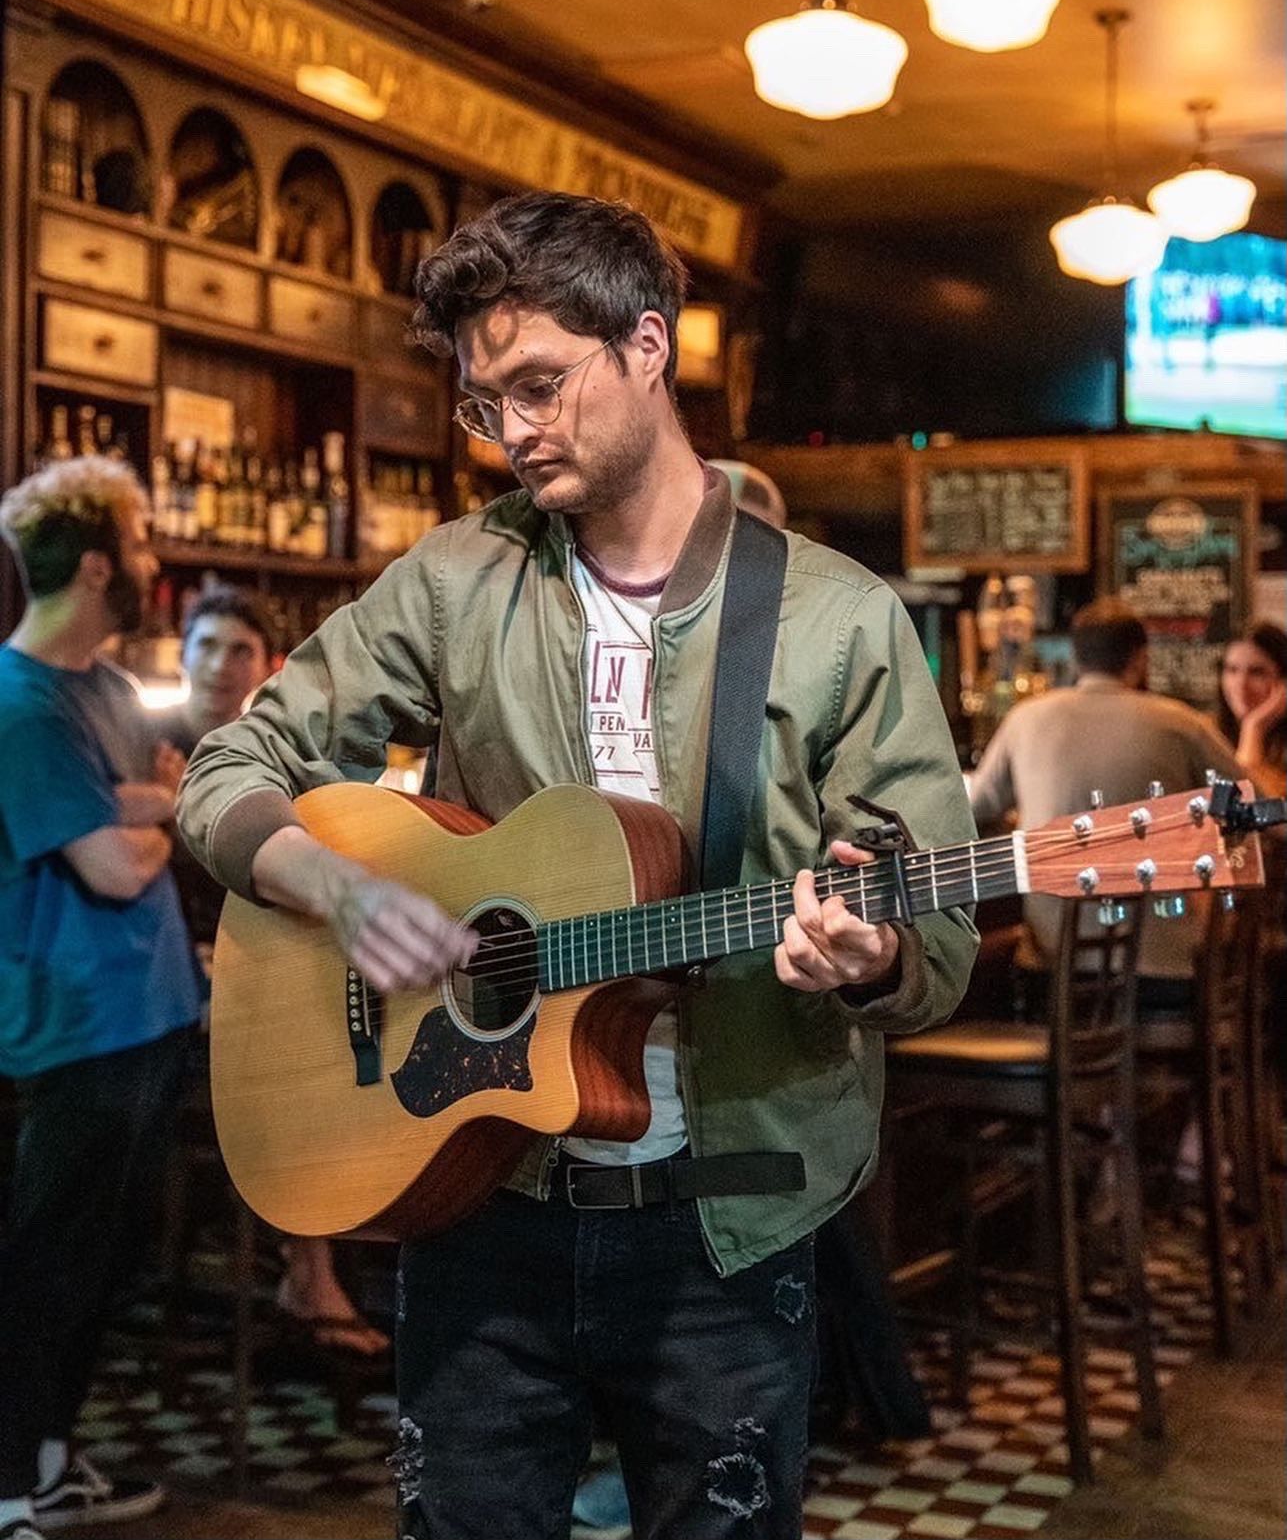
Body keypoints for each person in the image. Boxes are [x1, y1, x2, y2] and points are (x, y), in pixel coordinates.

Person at [176, 190, 978, 1540]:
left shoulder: (837, 620)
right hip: (475, 1186)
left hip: (728, 1214)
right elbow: (227, 766)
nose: (510, 434)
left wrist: (872, 954)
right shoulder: (453, 582)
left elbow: (936, 945)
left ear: (647, 348)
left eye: (539, 386)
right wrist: (338, 885)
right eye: (484, 404)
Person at [0, 458, 204, 1540]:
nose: (154, 561)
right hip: (78, 1021)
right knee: (50, 1261)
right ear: (93, 566)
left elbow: (144, 800)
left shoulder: (109, 689)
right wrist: (153, 810)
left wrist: (141, 805)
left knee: (108, 1261)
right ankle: (9, 1486)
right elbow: (115, 865)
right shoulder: (20, 701)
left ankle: (49, 1459)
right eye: (138, 543)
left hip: (152, 1012)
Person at [157, 582, 389, 1358]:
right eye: (207, 645)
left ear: (268, 665)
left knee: (348, 1032)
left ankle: (352, 1246)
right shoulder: (147, 739)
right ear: (182, 653)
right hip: (169, 989)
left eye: (240, 651)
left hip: (254, 971)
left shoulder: (277, 767)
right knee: (300, 1056)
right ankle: (310, 1268)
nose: (220, 664)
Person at [967, 596, 1244, 998]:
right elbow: (1256, 811)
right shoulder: (1183, 724)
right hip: (1163, 974)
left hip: (1053, 975)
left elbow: (973, 809)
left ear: (1076, 658)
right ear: (1139, 658)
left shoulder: (1024, 719)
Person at [1213, 620, 1287, 798]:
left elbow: (1242, 799)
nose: (1241, 685)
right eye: (1232, 670)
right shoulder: (1209, 731)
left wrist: (1254, 727)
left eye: (1256, 672)